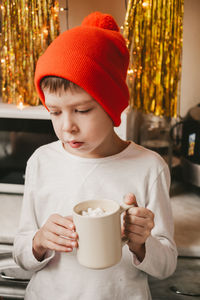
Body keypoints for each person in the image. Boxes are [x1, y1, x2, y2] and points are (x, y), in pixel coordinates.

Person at [13, 11, 177, 300]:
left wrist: (142, 243)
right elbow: (22, 255)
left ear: (111, 104)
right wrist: (39, 241)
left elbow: (166, 266)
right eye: (54, 112)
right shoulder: (41, 161)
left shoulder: (149, 167)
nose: (67, 127)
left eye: (82, 110)